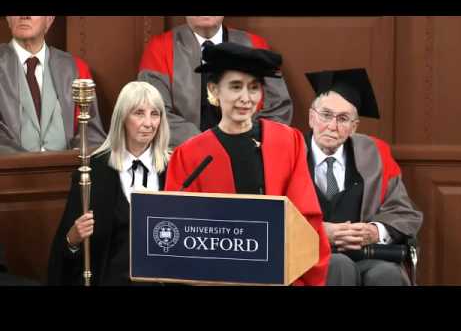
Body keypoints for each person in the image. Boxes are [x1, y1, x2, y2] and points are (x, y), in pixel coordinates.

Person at [165, 43, 331, 286]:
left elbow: (306, 219)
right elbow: (181, 233)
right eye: (235, 87)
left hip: (281, 274)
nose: (246, 98)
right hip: (216, 279)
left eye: (254, 88)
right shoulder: (190, 155)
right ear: (213, 90)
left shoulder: (287, 141)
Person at [304, 68, 423, 286]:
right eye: (326, 115)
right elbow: (273, 216)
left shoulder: (375, 153)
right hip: (308, 255)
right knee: (338, 265)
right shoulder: (289, 152)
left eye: (343, 119)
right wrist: (320, 232)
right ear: (312, 117)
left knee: (388, 274)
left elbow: (404, 212)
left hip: (366, 255)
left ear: (353, 127)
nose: (332, 126)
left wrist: (375, 231)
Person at [48, 81, 170, 285]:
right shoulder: (93, 172)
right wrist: (73, 239)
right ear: (122, 118)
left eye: (155, 114)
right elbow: (66, 249)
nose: (149, 123)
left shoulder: (175, 168)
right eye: (139, 113)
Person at [138, 16, 293, 148]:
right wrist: (206, 145)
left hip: (247, 152)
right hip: (186, 154)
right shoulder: (160, 49)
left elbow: (279, 107)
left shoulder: (254, 45)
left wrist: (243, 140)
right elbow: (155, 112)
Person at [0, 16, 106, 154]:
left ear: (49, 20)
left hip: (65, 171)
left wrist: (68, 161)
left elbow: (91, 133)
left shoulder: (75, 69)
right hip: (10, 172)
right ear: (8, 19)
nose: (24, 16)